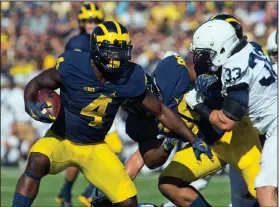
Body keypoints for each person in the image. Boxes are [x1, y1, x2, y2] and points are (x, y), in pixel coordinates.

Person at [12, 21, 212, 207]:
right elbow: (38, 82)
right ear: (96, 50)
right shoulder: (73, 64)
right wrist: (29, 103)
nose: (117, 58)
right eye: (111, 52)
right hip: (62, 138)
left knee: (128, 201)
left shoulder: (130, 76)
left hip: (95, 147)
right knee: (37, 160)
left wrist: (193, 139)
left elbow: (160, 110)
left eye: (121, 52)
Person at [91, 51, 262, 207]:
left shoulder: (169, 71)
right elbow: (144, 159)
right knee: (168, 182)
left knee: (262, 193)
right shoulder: (138, 124)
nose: (143, 104)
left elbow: (197, 67)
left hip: (234, 134)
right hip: (207, 147)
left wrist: (208, 79)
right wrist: (113, 186)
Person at [189, 19, 277, 207]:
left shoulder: (234, 66)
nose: (203, 59)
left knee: (264, 188)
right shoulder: (249, 50)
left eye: (206, 54)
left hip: (275, 126)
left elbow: (227, 121)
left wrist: (198, 105)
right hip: (271, 125)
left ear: (221, 48)